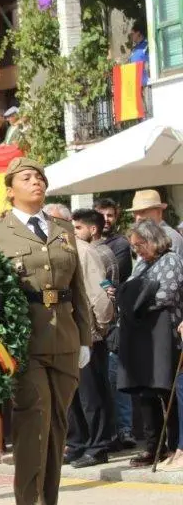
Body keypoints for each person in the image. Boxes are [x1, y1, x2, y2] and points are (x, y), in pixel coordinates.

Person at [0, 157, 92, 505]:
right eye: (26, 177)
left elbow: (77, 288)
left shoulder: (61, 228)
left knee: (58, 423)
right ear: (10, 189)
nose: (36, 181)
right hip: (22, 337)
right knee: (34, 418)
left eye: (40, 177)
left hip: (64, 335)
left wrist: (85, 337)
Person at [54, 206, 115, 468]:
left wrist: (100, 327)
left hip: (86, 333)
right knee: (72, 394)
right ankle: (78, 441)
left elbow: (99, 293)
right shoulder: (56, 250)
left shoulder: (83, 250)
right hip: (62, 334)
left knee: (92, 394)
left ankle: (99, 445)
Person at [118, 220, 181, 468]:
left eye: (139, 245)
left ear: (153, 239)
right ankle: (153, 446)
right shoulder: (142, 264)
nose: (137, 251)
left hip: (165, 334)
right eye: (134, 247)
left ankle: (175, 445)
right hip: (141, 334)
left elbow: (165, 295)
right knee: (145, 391)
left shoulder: (171, 260)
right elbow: (128, 290)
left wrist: (136, 300)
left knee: (167, 391)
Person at [93, 197, 135, 448]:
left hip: (114, 317)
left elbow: (104, 277)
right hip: (95, 319)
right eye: (102, 215)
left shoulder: (119, 244)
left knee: (115, 374)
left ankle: (125, 429)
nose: (106, 220)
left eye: (110, 215)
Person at [126, 189, 183, 257]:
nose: (138, 217)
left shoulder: (170, 237)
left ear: (159, 212)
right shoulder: (141, 237)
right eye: (135, 213)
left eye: (143, 211)